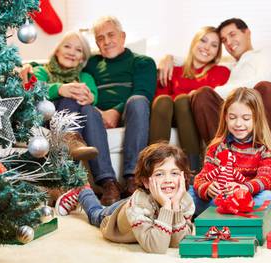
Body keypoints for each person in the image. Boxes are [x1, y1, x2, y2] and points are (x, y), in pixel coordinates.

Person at [158, 18, 271, 143]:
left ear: (247, 33)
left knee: (266, 86)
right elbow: (200, 58)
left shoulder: (265, 54)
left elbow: (265, 80)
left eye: (232, 35)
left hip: (264, 112)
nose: (229, 43)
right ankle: (222, 157)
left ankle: (263, 155)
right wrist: (169, 58)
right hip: (234, 115)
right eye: (224, 40)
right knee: (203, 93)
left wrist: (217, 92)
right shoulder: (230, 65)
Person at [54, 143, 195, 254]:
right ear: (146, 181)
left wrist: (174, 206)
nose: (168, 180)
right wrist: (166, 205)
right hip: (117, 216)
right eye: (159, 174)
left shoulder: (184, 200)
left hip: (135, 203)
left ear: (183, 177)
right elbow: (157, 247)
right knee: (96, 214)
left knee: (126, 203)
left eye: (174, 173)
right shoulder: (139, 205)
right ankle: (82, 190)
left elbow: (177, 243)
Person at [80, 16, 157, 205]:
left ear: (122, 36)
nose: (106, 42)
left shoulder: (142, 62)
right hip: (97, 116)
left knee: (138, 100)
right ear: (96, 43)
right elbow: (60, 66)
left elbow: (144, 92)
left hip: (130, 114)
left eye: (111, 35)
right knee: (86, 109)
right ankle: (108, 183)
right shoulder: (91, 64)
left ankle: (133, 178)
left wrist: (115, 111)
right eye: (100, 38)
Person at [149, 26, 230, 173]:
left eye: (214, 45)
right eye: (203, 41)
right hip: (168, 115)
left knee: (182, 100)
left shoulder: (221, 72)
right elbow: (159, 98)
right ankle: (154, 166)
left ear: (217, 52)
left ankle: (192, 170)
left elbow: (210, 102)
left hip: (193, 117)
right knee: (163, 100)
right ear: (194, 43)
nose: (207, 47)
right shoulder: (173, 70)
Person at [191, 87, 271, 216]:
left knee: (268, 198)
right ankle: (228, 209)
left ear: (257, 119)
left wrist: (245, 188)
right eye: (232, 117)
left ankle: (223, 210)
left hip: (247, 197)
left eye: (246, 118)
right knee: (189, 193)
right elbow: (202, 177)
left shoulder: (265, 148)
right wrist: (207, 188)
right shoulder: (217, 147)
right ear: (226, 118)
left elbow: (266, 178)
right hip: (220, 197)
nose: (238, 124)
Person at [21, 31, 99, 161]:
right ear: (57, 51)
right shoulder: (41, 71)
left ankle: (107, 179)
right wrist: (60, 89)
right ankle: (69, 141)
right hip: (48, 121)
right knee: (69, 98)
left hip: (80, 122)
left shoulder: (85, 77)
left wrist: (90, 98)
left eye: (78, 50)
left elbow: (93, 96)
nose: (72, 52)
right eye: (67, 46)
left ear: (82, 58)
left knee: (90, 109)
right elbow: (36, 91)